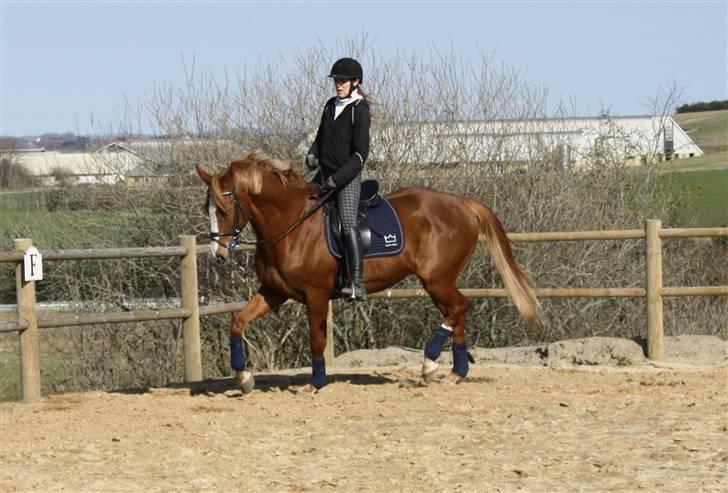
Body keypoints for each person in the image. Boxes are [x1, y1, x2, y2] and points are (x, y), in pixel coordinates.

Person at [306, 57, 371, 301]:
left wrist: (338, 179)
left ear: (355, 82)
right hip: (323, 174)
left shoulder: (359, 110)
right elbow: (320, 136)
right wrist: (312, 153)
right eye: (336, 81)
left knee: (347, 223)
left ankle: (356, 282)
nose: (338, 85)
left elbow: (360, 155)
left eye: (343, 81)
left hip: (347, 177)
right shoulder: (329, 105)